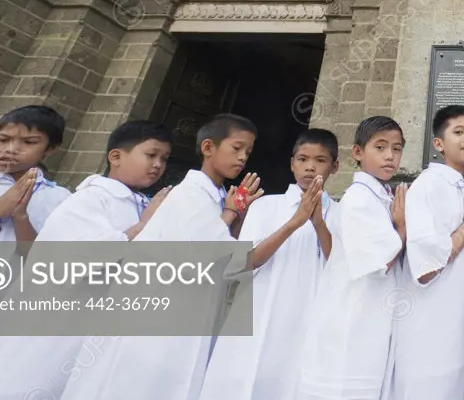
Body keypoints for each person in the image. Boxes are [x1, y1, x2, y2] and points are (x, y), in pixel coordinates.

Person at [0, 120, 175, 400]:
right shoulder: (90, 199)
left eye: (164, 159)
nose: (158, 164)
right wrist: (141, 227)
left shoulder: (147, 202)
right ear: (116, 156)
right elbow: (71, 256)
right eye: (151, 155)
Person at [60, 114, 264, 400]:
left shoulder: (214, 197)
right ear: (208, 148)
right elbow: (228, 258)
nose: (243, 158)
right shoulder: (189, 195)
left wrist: (235, 213)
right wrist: (238, 214)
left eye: (248, 152)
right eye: (236, 148)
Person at [199, 128, 341, 400]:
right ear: (291, 163)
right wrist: (294, 223)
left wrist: (319, 223)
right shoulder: (266, 206)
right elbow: (245, 261)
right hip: (260, 308)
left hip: (309, 313)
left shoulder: (341, 213)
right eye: (302, 159)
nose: (310, 167)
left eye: (320, 160)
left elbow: (338, 265)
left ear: (335, 166)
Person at [296, 116, 407, 400]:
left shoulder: (381, 195)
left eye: (396, 149)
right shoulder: (359, 198)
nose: (389, 156)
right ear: (358, 152)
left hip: (369, 316)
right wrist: (402, 226)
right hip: (353, 317)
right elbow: (383, 260)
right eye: (380, 147)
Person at [391, 105, 464, 400]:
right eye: (459, 132)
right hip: (433, 320)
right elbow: (427, 265)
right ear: (438, 144)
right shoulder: (429, 185)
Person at [0, 104, 70, 243]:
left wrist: (20, 217)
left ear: (50, 149)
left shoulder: (59, 198)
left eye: (29, 142)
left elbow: (44, 258)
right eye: (3, 139)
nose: (10, 149)